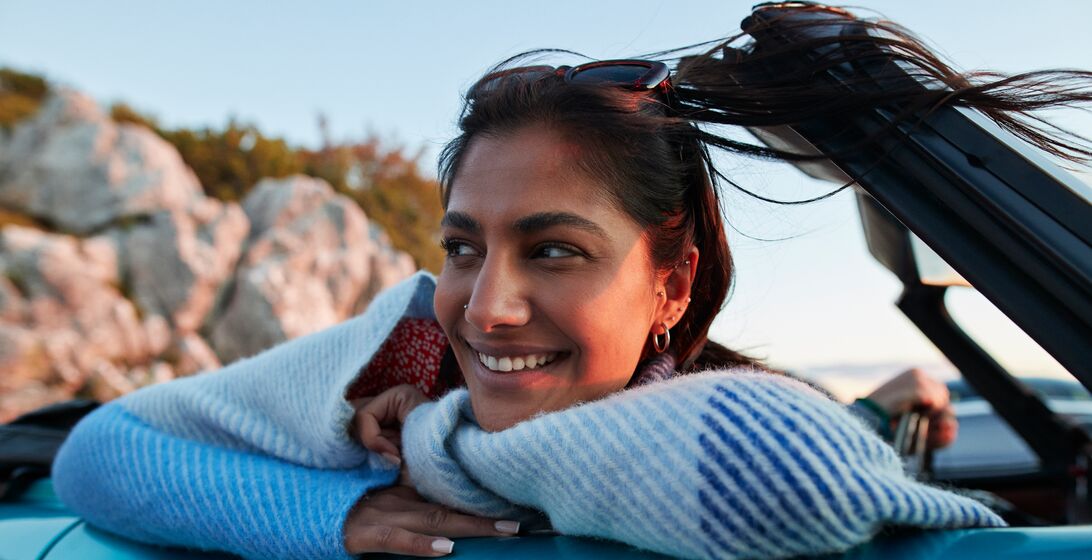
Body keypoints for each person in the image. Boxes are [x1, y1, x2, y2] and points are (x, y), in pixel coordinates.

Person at [52, 4, 1090, 559]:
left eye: (554, 249)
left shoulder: (679, 408)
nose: (486, 304)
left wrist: (878, 411)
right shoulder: (399, 357)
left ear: (672, 285)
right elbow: (99, 450)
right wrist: (336, 517)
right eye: (464, 245)